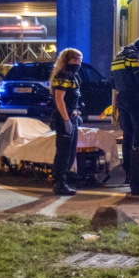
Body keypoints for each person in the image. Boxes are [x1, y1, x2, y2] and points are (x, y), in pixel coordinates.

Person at [111, 37, 139, 183]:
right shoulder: (134, 56)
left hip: (123, 99)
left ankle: (128, 173)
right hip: (135, 99)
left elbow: (114, 84)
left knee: (127, 136)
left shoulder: (117, 58)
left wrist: (114, 108)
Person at [49, 48, 84, 196]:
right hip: (64, 119)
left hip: (71, 117)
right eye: (75, 60)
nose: (78, 63)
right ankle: (59, 183)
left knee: (70, 152)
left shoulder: (73, 75)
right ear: (67, 60)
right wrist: (66, 120)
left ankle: (64, 179)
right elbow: (59, 99)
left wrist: (76, 112)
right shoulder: (63, 75)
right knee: (63, 152)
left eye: (80, 60)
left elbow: (73, 99)